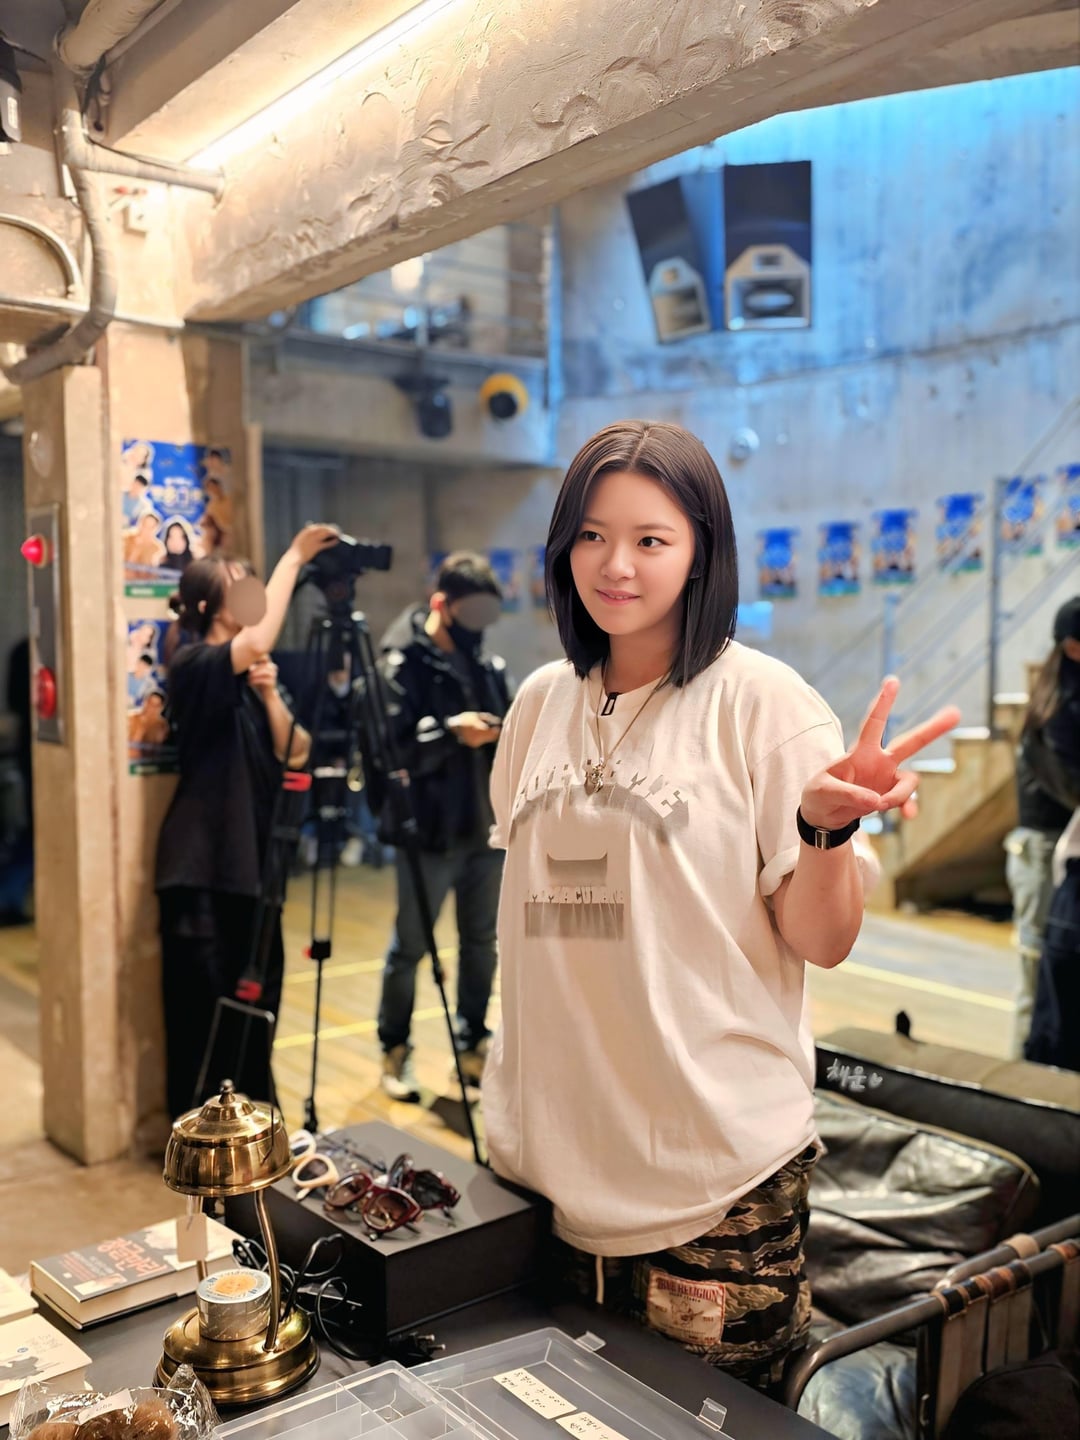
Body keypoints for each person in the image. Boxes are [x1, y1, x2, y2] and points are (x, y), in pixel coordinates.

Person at [482, 421, 958, 1394]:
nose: (616, 565)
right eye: (591, 535)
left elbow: (821, 939)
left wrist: (824, 833)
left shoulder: (764, 705)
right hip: (538, 1168)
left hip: (711, 1188)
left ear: (702, 551)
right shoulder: (538, 704)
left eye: (650, 539)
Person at [154, 523, 339, 1118]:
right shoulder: (193, 664)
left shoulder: (252, 674)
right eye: (239, 586)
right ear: (210, 603)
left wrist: (270, 695)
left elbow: (299, 751)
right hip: (202, 873)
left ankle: (252, 1135)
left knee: (258, 1012)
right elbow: (257, 637)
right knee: (203, 1018)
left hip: (255, 874)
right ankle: (200, 1141)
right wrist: (295, 556)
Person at [375, 552, 513, 1102]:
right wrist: (452, 731)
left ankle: (471, 1047)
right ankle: (394, 1049)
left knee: (481, 943)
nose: (480, 624)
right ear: (442, 604)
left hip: (484, 827)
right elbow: (391, 749)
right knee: (410, 947)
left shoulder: (486, 664)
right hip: (427, 831)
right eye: (472, 612)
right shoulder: (402, 663)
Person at [1003, 595, 1080, 1056]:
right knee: (1039, 974)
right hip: (1044, 848)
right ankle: (1019, 1084)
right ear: (1073, 647)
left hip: (1060, 849)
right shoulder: (1058, 707)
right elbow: (1072, 786)